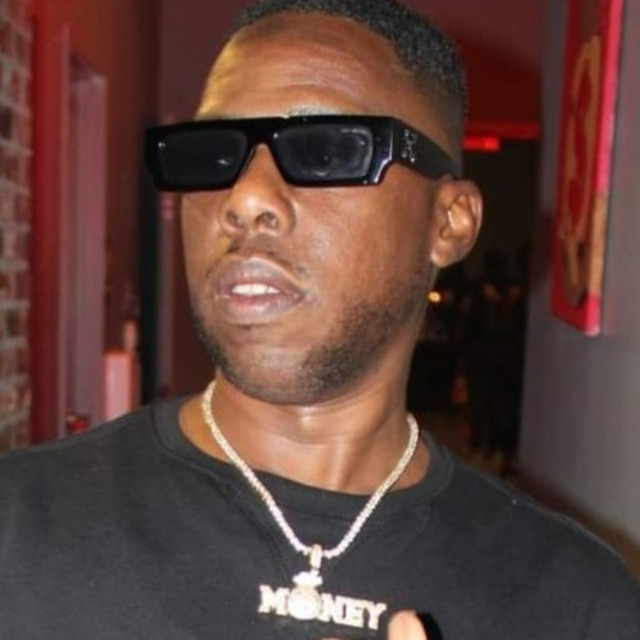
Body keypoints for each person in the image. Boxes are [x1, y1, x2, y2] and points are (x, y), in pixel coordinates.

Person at [1, 1, 639, 639]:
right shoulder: (20, 531)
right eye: (214, 155)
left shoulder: (575, 604)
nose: (245, 198)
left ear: (449, 222)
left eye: (326, 151)